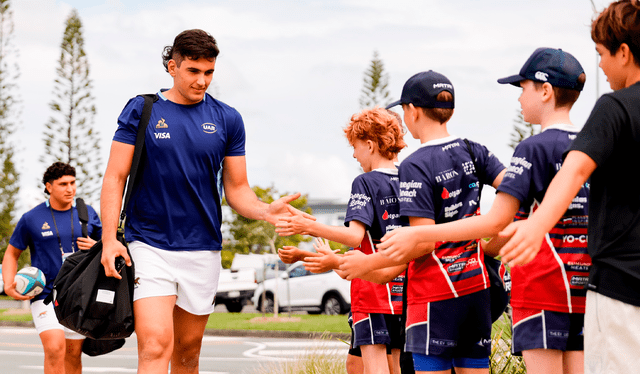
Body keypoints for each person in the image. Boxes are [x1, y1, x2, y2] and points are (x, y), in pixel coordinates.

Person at [99, 29, 311, 374]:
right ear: (173, 66)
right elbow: (114, 177)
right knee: (154, 345)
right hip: (149, 244)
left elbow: (238, 189)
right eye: (193, 71)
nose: (202, 81)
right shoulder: (142, 110)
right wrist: (109, 239)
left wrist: (266, 211)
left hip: (203, 248)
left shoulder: (228, 119)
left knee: (187, 353)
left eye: (209, 72)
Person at [375, 49, 590, 374]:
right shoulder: (591, 146)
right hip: (584, 283)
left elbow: (501, 221)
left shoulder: (532, 148)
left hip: (537, 287)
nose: (519, 98)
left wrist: (435, 237)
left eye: (523, 88)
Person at [497, 2, 640, 373]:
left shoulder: (616, 108)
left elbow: (576, 170)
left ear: (624, 52)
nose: (601, 67)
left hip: (619, 285)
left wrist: (535, 226)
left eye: (602, 54)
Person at [339, 71, 506, 374]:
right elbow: (515, 194)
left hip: (434, 295)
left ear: (413, 111)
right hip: (476, 288)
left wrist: (367, 265)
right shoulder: (473, 149)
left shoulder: (416, 165)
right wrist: (489, 248)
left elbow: (422, 243)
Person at [276, 107, 409, 374]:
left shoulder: (366, 182)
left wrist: (310, 227)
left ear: (370, 145)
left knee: (374, 365)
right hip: (404, 291)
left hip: (372, 292)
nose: (354, 154)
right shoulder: (409, 180)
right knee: (396, 365)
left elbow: (354, 236)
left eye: (356, 147)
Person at [2, 162, 101, 374]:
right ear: (49, 186)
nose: (70, 188)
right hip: (45, 294)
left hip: (79, 296)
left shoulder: (88, 213)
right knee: (55, 349)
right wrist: (9, 285)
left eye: (73, 183)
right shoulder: (31, 218)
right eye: (63, 183)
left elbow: (108, 248)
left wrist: (97, 247)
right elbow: (11, 253)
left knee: (73, 356)